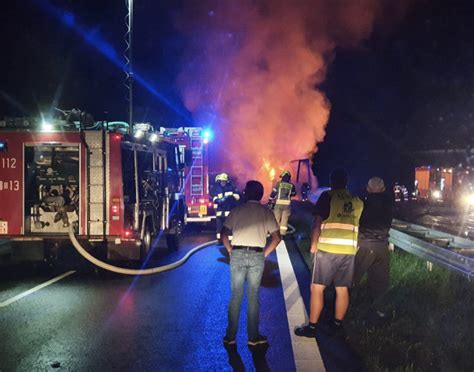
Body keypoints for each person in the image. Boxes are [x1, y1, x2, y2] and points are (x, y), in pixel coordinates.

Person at [295, 168, 363, 337]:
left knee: (317, 288)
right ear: (346, 182)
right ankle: (338, 325)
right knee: (342, 289)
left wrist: (313, 245)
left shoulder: (327, 197)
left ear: (332, 182)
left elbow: (317, 223)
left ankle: (312, 327)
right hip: (348, 250)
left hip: (327, 249)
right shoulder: (357, 201)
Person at [222, 180, 281, 347]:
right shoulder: (266, 212)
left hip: (238, 254)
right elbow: (277, 238)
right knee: (253, 296)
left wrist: (230, 250)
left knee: (235, 296)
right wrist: (264, 254)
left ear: (246, 193)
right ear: (261, 194)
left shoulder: (237, 210)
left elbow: (224, 234)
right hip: (256, 255)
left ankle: (230, 336)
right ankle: (253, 337)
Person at [353, 177, 394, 319]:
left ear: (368, 188)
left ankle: (345, 309)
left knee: (352, 277)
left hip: (365, 244)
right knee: (380, 281)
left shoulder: (362, 202)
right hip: (382, 246)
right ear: (383, 189)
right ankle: (379, 311)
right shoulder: (390, 202)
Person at [210, 173, 241, 240]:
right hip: (220, 213)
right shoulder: (217, 189)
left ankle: (230, 241)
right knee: (219, 229)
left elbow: (238, 197)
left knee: (229, 228)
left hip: (229, 212)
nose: (222, 182)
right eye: (221, 181)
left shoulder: (231, 188)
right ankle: (219, 239)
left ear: (227, 181)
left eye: (223, 181)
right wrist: (219, 200)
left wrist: (230, 196)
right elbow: (214, 197)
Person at [269, 171, 296, 235]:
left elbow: (273, 193)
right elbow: (294, 194)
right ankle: (282, 234)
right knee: (284, 221)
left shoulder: (278, 184)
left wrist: (270, 200)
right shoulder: (292, 185)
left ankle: (274, 234)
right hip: (287, 206)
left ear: (283, 177)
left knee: (276, 219)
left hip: (278, 204)